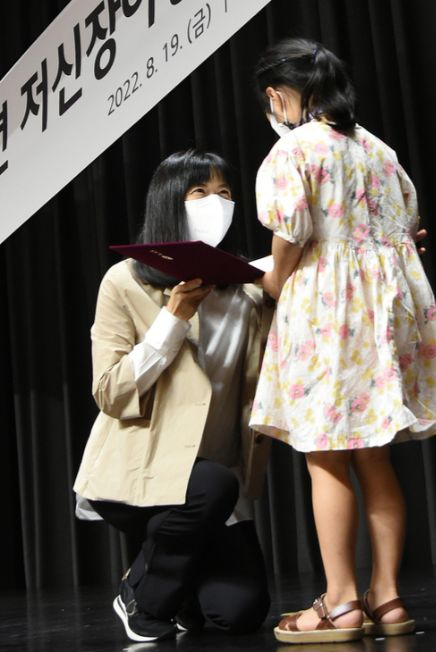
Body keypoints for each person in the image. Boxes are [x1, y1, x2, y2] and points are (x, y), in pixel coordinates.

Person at [249, 37, 436, 645]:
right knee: (374, 453)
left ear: (277, 95)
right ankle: (389, 597)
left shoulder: (292, 150)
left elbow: (291, 233)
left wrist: (270, 279)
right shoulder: (378, 148)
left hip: (327, 307)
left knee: (325, 453)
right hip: (386, 308)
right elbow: (408, 226)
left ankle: (342, 601)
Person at [73, 149, 272, 643]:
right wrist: (174, 317)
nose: (217, 203)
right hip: (142, 473)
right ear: (169, 202)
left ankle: (183, 586)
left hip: (214, 484)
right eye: (200, 192)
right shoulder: (125, 282)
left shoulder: (247, 288)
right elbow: (110, 392)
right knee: (209, 485)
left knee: (239, 613)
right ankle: (142, 596)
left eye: (226, 193)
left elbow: (312, 269)